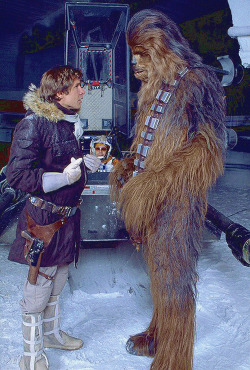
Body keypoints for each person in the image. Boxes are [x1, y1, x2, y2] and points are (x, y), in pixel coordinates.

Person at [109, 9, 226, 370]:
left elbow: (208, 149)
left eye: (142, 54)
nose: (136, 64)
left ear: (162, 49)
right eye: (134, 55)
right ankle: (158, 336)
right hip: (150, 199)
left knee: (175, 282)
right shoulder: (156, 85)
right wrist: (129, 167)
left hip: (176, 202)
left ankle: (174, 361)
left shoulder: (198, 81)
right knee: (159, 273)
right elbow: (146, 139)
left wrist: (155, 183)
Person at [6, 65, 100, 370]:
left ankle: (52, 334)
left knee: (58, 277)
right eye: (77, 86)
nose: (83, 90)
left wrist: (85, 166)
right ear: (59, 92)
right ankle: (30, 355)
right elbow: (17, 175)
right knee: (38, 286)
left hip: (65, 219)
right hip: (42, 222)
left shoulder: (67, 123)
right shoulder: (33, 124)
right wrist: (62, 178)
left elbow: (62, 161)